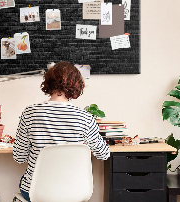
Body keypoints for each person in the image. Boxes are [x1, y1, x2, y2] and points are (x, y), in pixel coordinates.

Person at [13, 61, 110, 201]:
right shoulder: (85, 118)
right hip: (74, 193)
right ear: (76, 85)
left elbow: (19, 157)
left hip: (36, 194)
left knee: (27, 181)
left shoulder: (30, 113)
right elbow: (103, 154)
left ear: (48, 82)